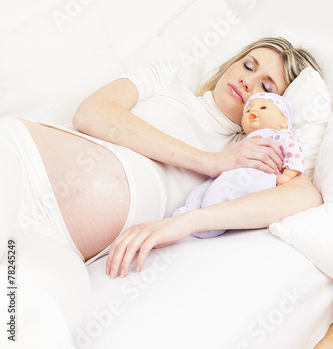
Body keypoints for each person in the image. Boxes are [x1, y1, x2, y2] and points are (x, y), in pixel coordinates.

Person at [0, 38, 323, 297]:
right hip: (23, 166)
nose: (247, 81)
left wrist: (189, 222)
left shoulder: (250, 157)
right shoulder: (166, 78)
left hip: (62, 247)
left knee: (37, 322)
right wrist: (210, 162)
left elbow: (305, 197)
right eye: (248, 65)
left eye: (267, 88)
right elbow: (92, 113)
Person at [172, 92, 304, 238]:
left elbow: (294, 153)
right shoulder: (243, 140)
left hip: (259, 174)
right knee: (207, 187)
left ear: (283, 121)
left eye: (264, 107)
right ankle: (190, 209)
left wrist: (288, 174)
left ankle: (208, 224)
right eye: (248, 110)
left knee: (230, 192)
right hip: (234, 170)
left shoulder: (279, 136)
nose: (253, 111)